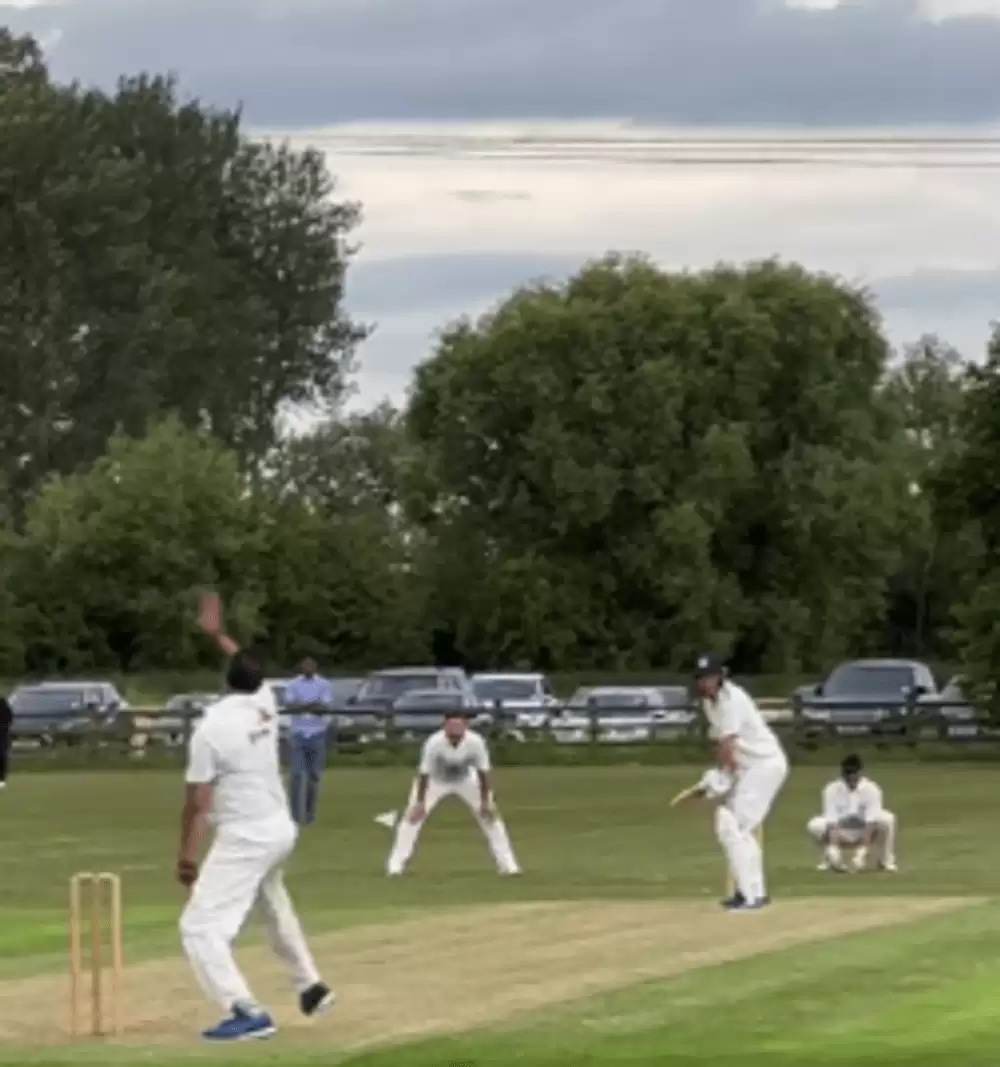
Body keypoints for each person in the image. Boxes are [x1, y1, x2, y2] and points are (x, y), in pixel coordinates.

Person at [177, 592, 334, 1042]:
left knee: (199, 927)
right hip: (279, 828)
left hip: (246, 836)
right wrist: (218, 635)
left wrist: (186, 856)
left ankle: (244, 1010)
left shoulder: (210, 728)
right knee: (271, 902)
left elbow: (197, 804)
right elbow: (244, 665)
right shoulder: (266, 702)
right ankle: (310, 986)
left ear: (225, 680)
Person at [695, 652, 788, 911]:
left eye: (709, 677)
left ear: (721, 676)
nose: (704, 683)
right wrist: (721, 776)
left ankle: (748, 896)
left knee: (731, 825)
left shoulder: (732, 699)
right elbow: (721, 745)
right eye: (701, 678)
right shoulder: (709, 703)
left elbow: (728, 744)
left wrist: (720, 778)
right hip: (749, 768)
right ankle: (753, 892)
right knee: (739, 829)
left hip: (764, 764)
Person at [383, 709, 521, 876]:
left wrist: (486, 801)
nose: (455, 729)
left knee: (491, 817)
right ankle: (395, 866)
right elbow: (424, 774)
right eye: (451, 725)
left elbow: (483, 773)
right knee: (412, 818)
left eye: (458, 725)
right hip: (435, 781)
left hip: (466, 780)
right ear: (445, 726)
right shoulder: (434, 743)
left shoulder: (476, 742)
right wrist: (420, 803)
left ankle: (508, 865)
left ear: (466, 726)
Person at [808, 754, 898, 873]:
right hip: (842, 830)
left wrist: (862, 851)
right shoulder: (831, 789)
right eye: (847, 773)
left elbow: (871, 823)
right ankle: (829, 860)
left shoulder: (872, 789)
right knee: (815, 825)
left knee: (887, 819)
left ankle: (885, 861)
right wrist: (834, 846)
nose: (851, 777)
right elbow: (831, 822)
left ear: (859, 772)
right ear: (842, 773)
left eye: (853, 773)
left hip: (864, 830)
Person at [285, 657, 335, 826]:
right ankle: (295, 816)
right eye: (305, 665)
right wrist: (312, 705)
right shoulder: (293, 684)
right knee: (296, 775)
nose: (308, 668)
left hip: (317, 732)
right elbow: (290, 706)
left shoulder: (324, 684)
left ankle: (309, 815)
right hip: (298, 733)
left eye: (310, 665)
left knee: (314, 776)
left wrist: (302, 706)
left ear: (315, 667)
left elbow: (324, 707)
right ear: (301, 667)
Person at [0, 695, 11, 790]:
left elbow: (9, 717)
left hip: (2, 734)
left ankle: (2, 779)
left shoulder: (2, 703)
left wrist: (4, 727)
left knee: (2, 756)